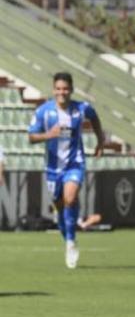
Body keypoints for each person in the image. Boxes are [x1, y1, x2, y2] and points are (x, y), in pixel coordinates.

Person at [27, 72, 106, 268]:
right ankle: (68, 237)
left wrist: (100, 140)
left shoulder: (81, 108)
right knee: (60, 208)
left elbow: (94, 118)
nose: (62, 92)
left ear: (71, 90)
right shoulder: (43, 111)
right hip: (53, 167)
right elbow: (31, 137)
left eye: (65, 89)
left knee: (70, 199)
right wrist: (49, 134)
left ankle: (71, 242)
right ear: (53, 90)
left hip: (74, 163)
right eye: (58, 89)